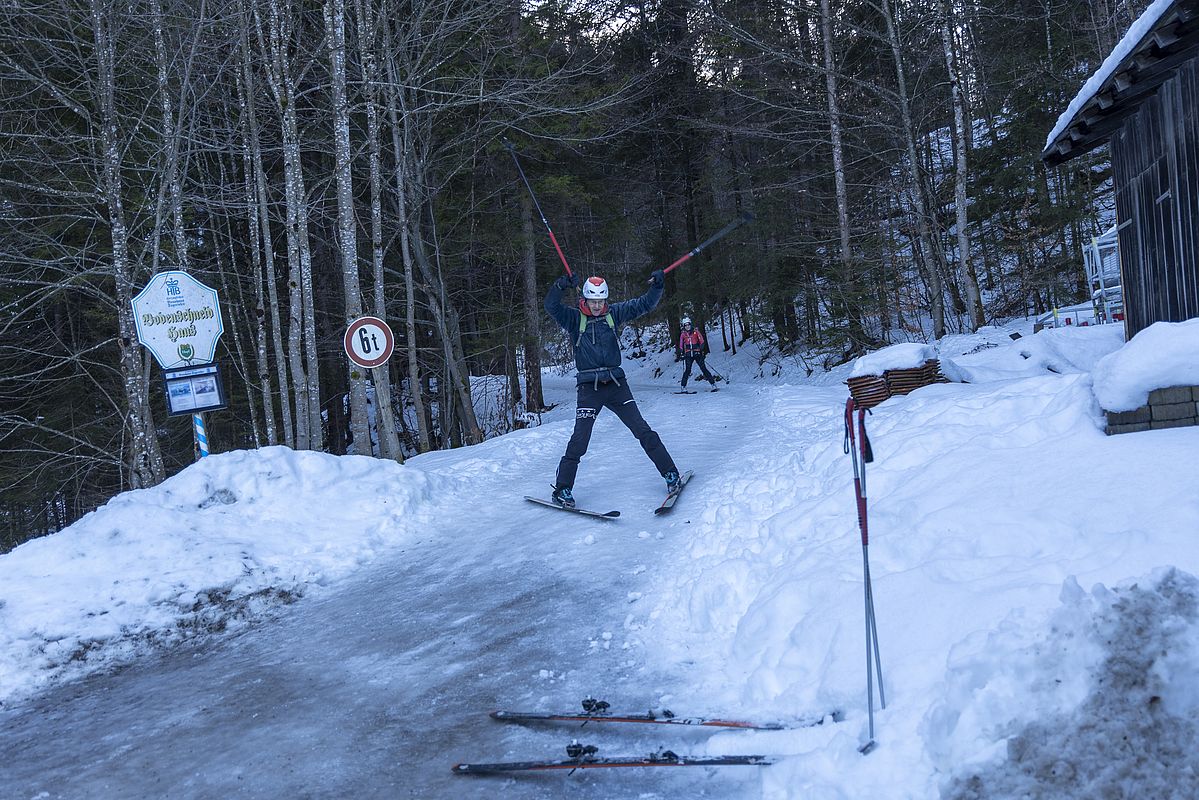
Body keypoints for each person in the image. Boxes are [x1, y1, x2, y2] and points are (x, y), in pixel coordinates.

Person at [544, 271, 680, 508]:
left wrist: (657, 285)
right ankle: (563, 488)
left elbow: (644, 304)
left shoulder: (613, 313)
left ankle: (670, 473)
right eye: (593, 302)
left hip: (616, 384)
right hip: (589, 387)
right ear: (585, 300)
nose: (597, 306)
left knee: (642, 430)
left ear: (605, 300)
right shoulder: (574, 319)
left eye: (601, 302)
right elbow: (551, 306)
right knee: (580, 439)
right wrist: (559, 285)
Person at [678, 317, 717, 390]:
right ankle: (683, 386)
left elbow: (702, 341)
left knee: (703, 368)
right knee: (687, 370)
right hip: (688, 355)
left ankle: (713, 384)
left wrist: (700, 350)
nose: (687, 326)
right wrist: (682, 352)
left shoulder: (695, 332)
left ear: (690, 324)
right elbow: (680, 345)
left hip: (697, 353)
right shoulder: (683, 334)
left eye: (688, 325)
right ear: (684, 326)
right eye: (685, 325)